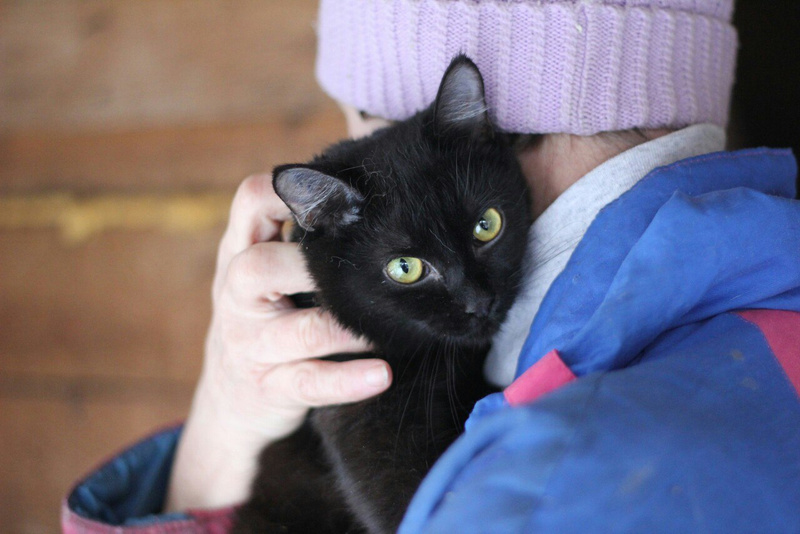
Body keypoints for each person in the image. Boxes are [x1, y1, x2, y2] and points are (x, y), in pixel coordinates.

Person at [64, 0, 800, 532]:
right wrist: (224, 427)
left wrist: (213, 442)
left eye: (368, 119)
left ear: (503, 136)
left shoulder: (534, 491)